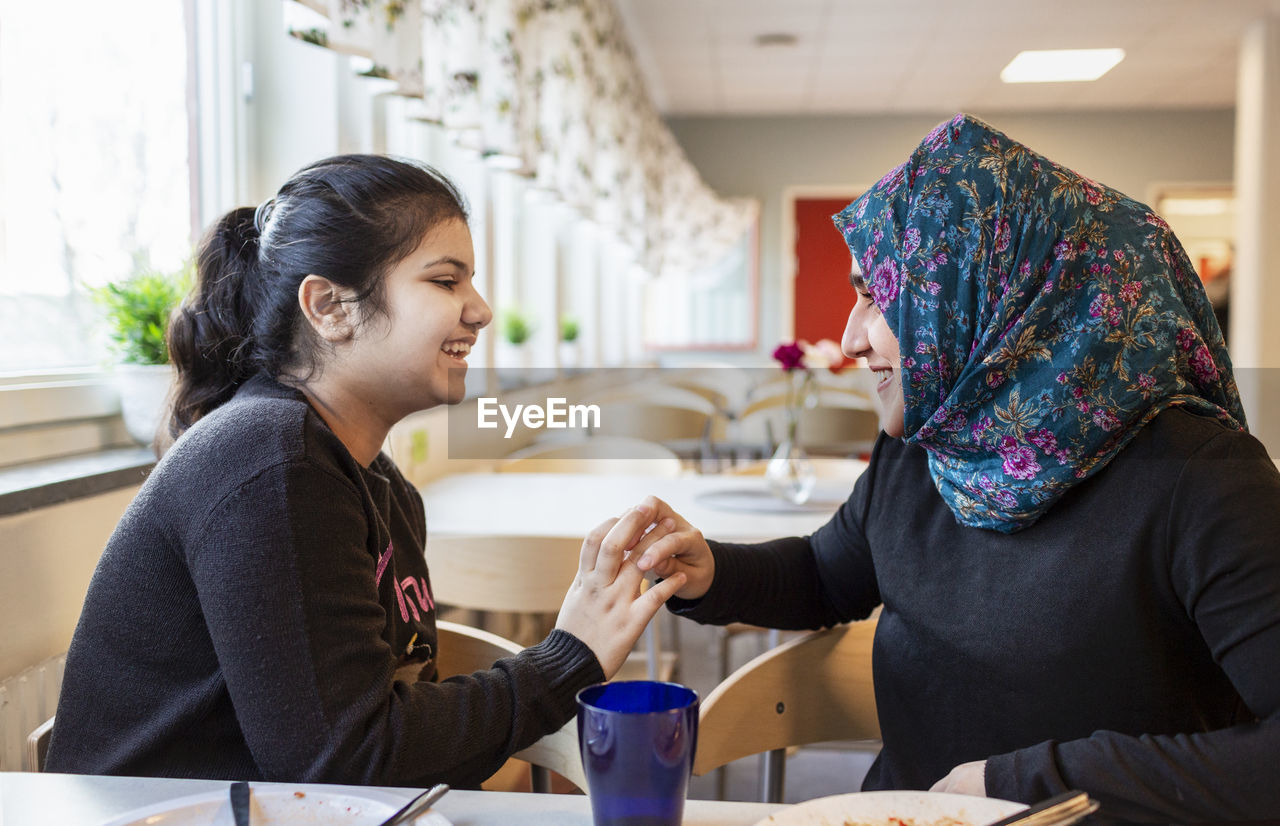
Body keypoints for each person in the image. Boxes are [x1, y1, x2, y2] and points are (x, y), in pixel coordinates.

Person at [630, 115, 1280, 823]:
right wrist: (711, 572)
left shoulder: (1206, 480)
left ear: (993, 297)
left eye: (878, 297)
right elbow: (827, 576)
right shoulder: (928, 446)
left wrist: (1033, 781)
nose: (850, 338)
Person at [45, 154, 685, 786]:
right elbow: (351, 762)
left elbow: (383, 739)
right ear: (329, 307)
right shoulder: (272, 461)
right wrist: (567, 658)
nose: (481, 309)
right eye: (445, 280)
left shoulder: (378, 484)